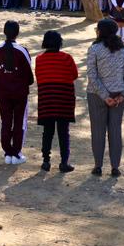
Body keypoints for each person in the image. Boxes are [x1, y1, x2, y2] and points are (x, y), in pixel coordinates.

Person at [85, 18, 124, 177]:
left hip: (96, 95)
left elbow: (92, 76)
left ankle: (98, 166)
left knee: (97, 130)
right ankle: (115, 167)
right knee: (115, 130)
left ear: (100, 31)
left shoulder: (94, 49)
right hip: (118, 94)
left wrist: (104, 96)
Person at [34, 30, 78, 173]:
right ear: (60, 43)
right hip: (64, 99)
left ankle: (46, 161)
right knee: (63, 132)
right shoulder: (67, 58)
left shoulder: (39, 59)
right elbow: (74, 75)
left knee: (48, 131)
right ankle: (64, 162)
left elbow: (39, 77)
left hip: (47, 99)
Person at [0, 20, 33, 165]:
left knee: (6, 121)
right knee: (19, 122)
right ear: (18, 33)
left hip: (3, 92)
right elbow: (29, 76)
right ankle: (16, 153)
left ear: (4, 32)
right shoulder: (22, 50)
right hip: (20, 92)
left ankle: (8, 152)